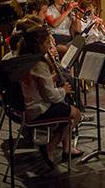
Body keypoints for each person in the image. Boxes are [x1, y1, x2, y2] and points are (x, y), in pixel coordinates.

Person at [16, 24, 83, 167]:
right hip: (38, 109)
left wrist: (51, 79)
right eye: (47, 43)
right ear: (37, 45)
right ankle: (49, 147)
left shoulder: (23, 57)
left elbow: (36, 84)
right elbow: (51, 96)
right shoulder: (39, 64)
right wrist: (64, 90)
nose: (49, 46)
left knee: (66, 110)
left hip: (26, 104)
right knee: (76, 115)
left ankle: (66, 148)